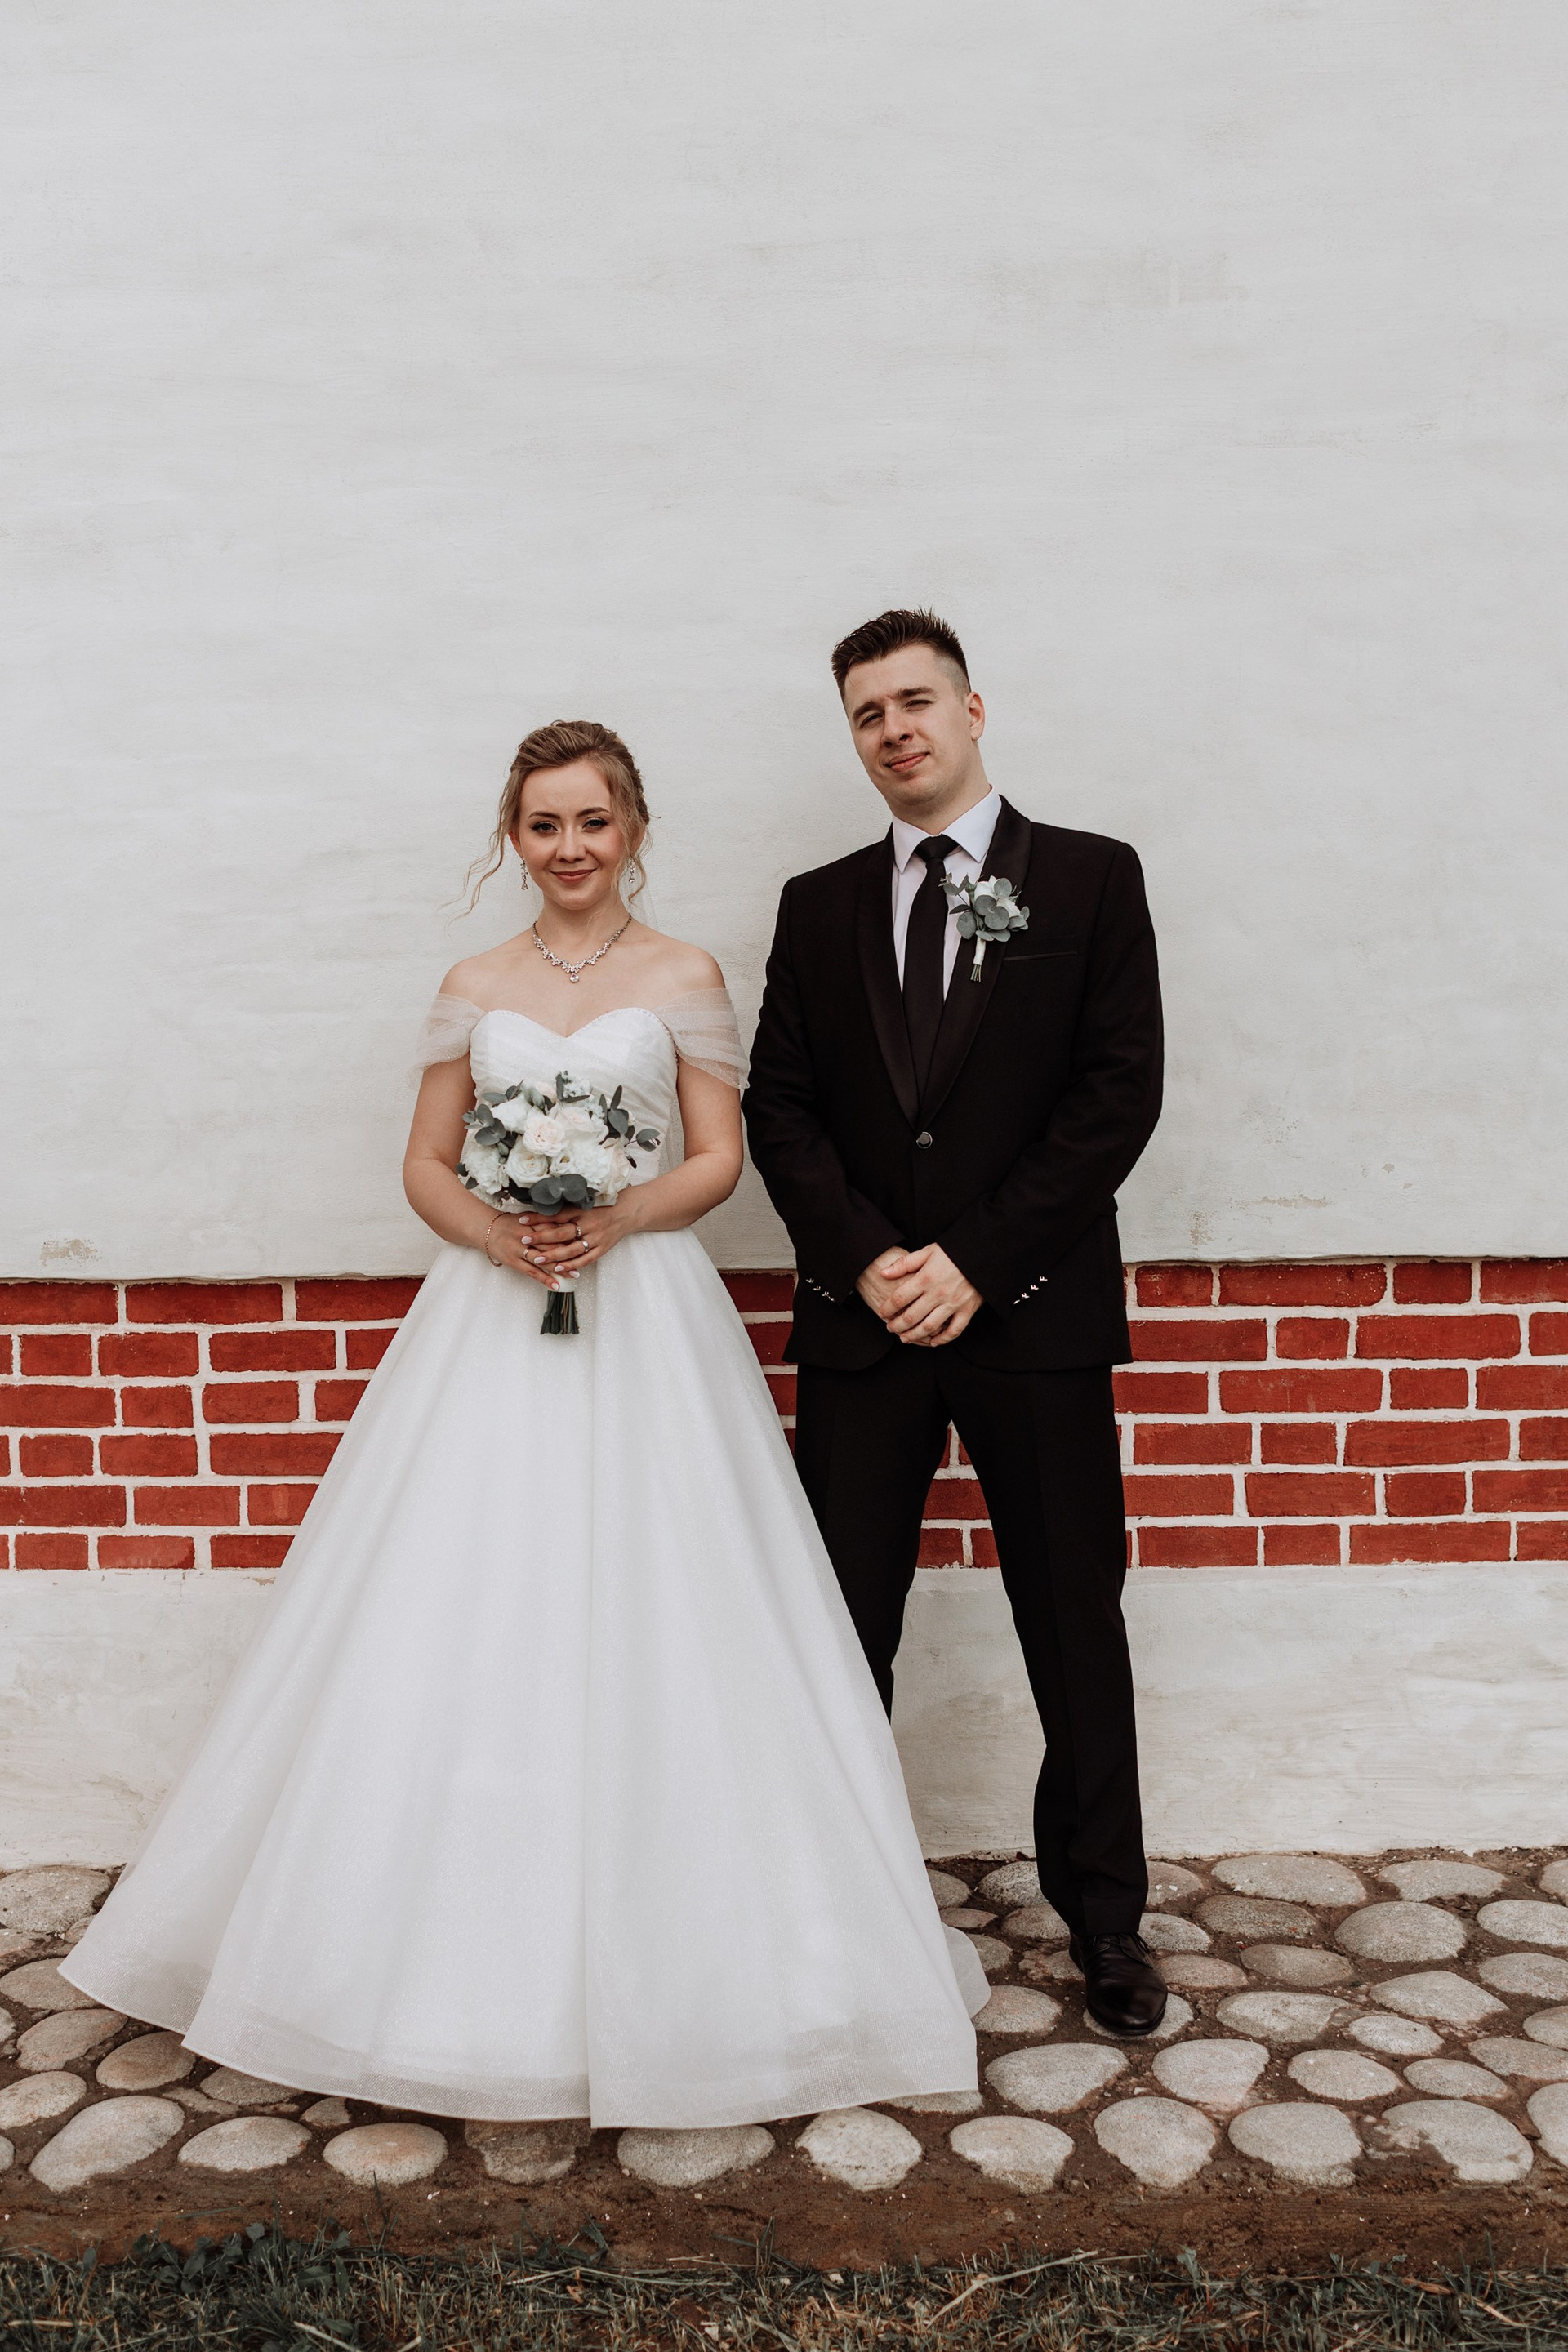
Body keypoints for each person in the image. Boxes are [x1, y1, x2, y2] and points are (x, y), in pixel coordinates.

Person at [63, 718, 983, 2125]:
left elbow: (721, 1156)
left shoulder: (684, 975)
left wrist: (619, 1212)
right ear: (514, 836)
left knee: (672, 1596)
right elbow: (427, 1163)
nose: (569, 847)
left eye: (593, 822)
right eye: (544, 825)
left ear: (632, 829)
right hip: (493, 1311)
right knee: (462, 1591)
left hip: (647, 1309)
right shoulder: (474, 986)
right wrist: (498, 1233)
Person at [743, 612, 1168, 2037]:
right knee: (840, 1623)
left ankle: (1105, 1918)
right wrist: (870, 1259)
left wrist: (974, 1262)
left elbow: (1116, 1095)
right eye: (868, 713)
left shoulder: (1090, 879)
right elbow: (781, 1110)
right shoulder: (817, 906)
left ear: (973, 709)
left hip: (1030, 1313)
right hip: (864, 1326)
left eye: (915, 701)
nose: (895, 730)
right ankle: (828, 1903)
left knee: (1072, 1620)